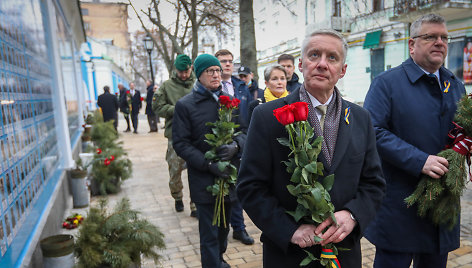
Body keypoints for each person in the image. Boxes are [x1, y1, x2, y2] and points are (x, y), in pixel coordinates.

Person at [237, 29, 385, 267]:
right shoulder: (267, 116)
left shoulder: (360, 118)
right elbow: (249, 187)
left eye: (332, 58)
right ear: (300, 64)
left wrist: (353, 215)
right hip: (289, 255)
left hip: (343, 253)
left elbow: (374, 183)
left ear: (343, 70)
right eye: (314, 55)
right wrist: (289, 230)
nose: (322, 64)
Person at [363, 14, 466, 268]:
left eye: (444, 37)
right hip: (400, 202)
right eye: (430, 36)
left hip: (441, 203)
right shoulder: (386, 83)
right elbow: (372, 131)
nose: (439, 42)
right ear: (412, 45)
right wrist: (420, 160)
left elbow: (461, 130)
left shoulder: (455, 85)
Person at [173, 54, 247, 268]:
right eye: (210, 71)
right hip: (204, 178)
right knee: (209, 233)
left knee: (224, 229)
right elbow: (181, 143)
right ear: (199, 74)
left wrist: (236, 146)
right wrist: (208, 165)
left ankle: (219, 259)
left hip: (228, 176)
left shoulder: (229, 101)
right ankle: (212, 263)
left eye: (218, 70)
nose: (217, 74)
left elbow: (243, 130)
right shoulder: (186, 105)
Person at [215, 49, 254, 245]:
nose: (228, 64)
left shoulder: (241, 86)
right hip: (218, 146)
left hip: (237, 146)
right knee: (222, 192)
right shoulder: (211, 88)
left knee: (237, 189)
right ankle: (221, 232)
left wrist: (238, 144)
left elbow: (246, 123)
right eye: (223, 61)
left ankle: (239, 228)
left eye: (230, 61)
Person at [153, 54, 197, 216]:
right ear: (175, 70)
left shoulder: (198, 83)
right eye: (180, 72)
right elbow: (157, 107)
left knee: (196, 171)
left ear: (190, 68)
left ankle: (195, 204)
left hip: (195, 135)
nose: (184, 75)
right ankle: (177, 197)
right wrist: (176, 110)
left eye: (186, 71)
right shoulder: (167, 86)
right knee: (175, 170)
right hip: (175, 135)